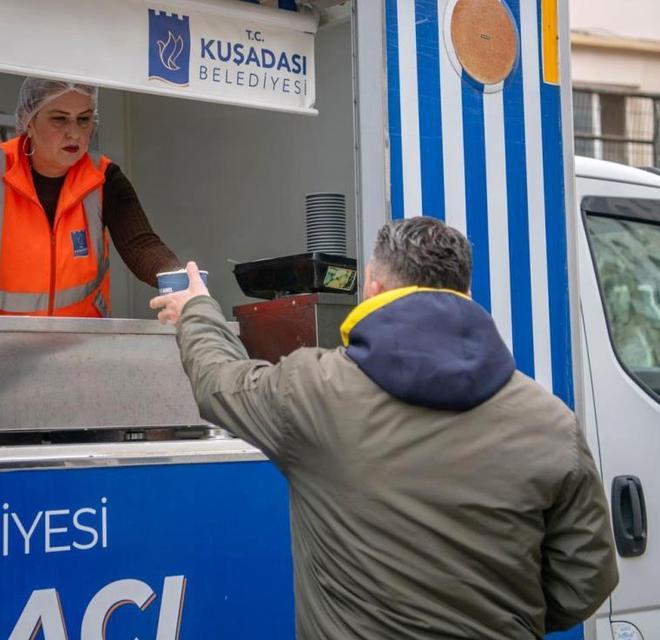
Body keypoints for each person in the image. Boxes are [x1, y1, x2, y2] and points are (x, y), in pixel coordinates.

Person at [150, 217, 618, 639]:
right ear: (467, 294)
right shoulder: (551, 422)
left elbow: (218, 382)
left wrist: (197, 310)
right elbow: (584, 581)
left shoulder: (313, 391)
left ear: (371, 288)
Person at [0, 78, 179, 316]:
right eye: (59, 119)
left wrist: (182, 280)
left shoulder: (104, 178)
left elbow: (141, 246)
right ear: (29, 121)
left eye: (84, 119)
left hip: (75, 350)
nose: (74, 132)